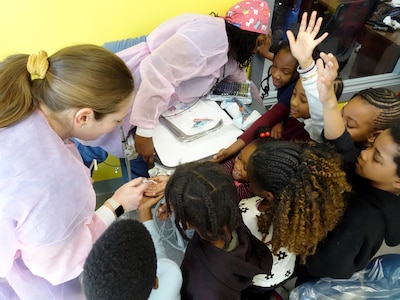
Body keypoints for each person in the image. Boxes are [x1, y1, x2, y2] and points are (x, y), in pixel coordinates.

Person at [0, 45, 148, 299]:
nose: (120, 127)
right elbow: (59, 266)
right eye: (117, 121)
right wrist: (117, 205)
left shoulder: (19, 101)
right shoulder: (54, 178)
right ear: (84, 117)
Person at [81, 0, 271, 175]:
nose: (260, 47)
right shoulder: (211, 35)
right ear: (250, 37)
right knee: (99, 137)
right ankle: (78, 170)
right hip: (137, 81)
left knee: (133, 152)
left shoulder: (230, 51)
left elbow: (240, 81)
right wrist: (144, 133)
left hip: (153, 101)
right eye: (260, 41)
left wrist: (265, 115)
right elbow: (157, 71)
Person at [287, 15, 400, 282]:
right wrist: (323, 93)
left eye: (376, 157)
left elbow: (325, 268)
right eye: (371, 149)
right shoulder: (367, 172)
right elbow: (340, 141)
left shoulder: (363, 219)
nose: (363, 153)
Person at [239, 139, 350, 289]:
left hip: (257, 279)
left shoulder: (248, 212)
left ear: (269, 195)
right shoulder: (310, 210)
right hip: (284, 271)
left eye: (251, 180)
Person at [164, 161, 274, 299]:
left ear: (185, 224)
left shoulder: (201, 287)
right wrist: (179, 195)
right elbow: (207, 191)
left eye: (174, 210)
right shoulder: (231, 215)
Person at [83, 194, 182, 300]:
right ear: (156, 283)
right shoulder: (172, 275)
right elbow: (161, 261)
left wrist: (143, 210)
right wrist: (145, 211)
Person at [213, 40, 299, 162]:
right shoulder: (286, 72)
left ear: (298, 72)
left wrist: (229, 151)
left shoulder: (293, 89)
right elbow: (283, 63)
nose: (276, 74)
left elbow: (268, 118)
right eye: (274, 66)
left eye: (285, 72)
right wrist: (265, 53)